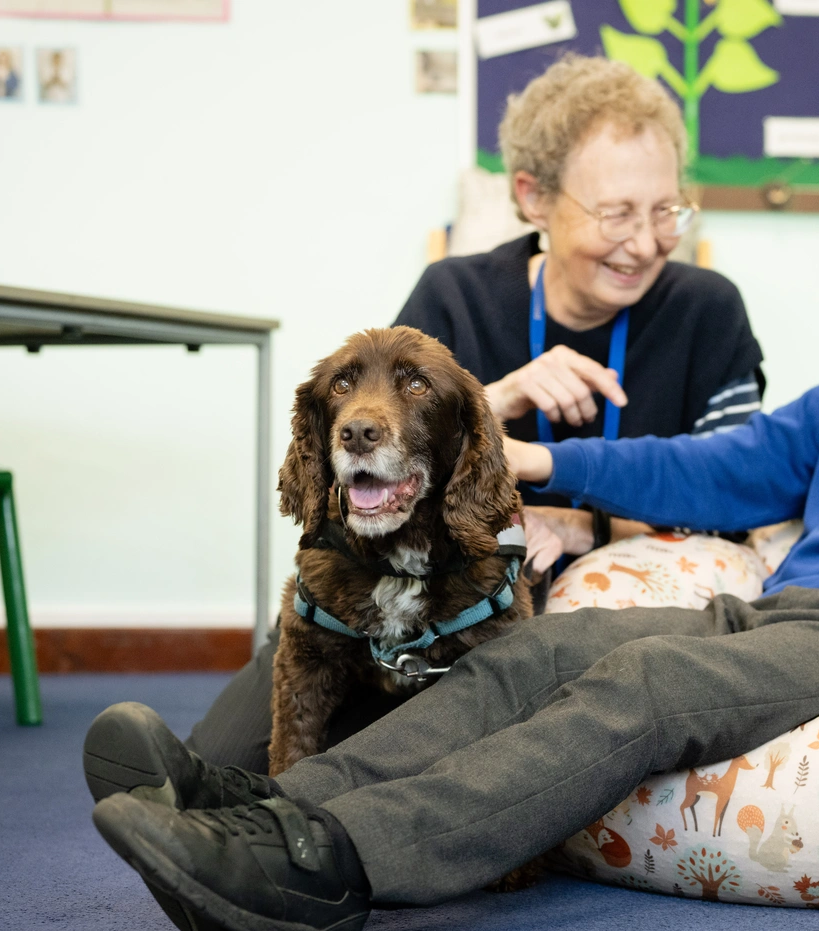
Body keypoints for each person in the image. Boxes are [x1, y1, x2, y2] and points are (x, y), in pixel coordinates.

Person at [85, 126, 819, 931]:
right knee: (530, 653)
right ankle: (268, 812)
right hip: (778, 613)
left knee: (647, 685)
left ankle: (330, 863)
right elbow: (710, 470)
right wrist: (538, 454)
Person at [182, 55, 766, 772]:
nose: (645, 242)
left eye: (665, 211)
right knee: (217, 760)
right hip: (401, 590)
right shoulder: (452, 296)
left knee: (409, 760)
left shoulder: (708, 312)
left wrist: (580, 522)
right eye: (616, 213)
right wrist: (495, 398)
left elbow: (741, 503)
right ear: (533, 197)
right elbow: (369, 467)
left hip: (521, 612)